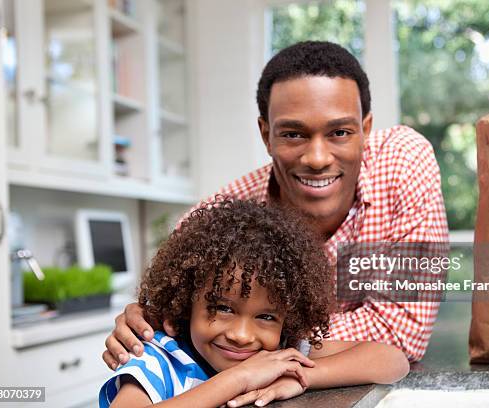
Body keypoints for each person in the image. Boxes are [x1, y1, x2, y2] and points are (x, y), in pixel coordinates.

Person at [103, 40, 448, 404]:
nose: (317, 158)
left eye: (340, 132)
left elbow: (399, 337)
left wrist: (286, 353)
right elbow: (167, 315)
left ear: (366, 129)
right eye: (293, 134)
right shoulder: (216, 223)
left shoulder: (402, 163)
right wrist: (156, 319)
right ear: (266, 134)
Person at [100, 198, 408, 407]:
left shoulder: (278, 354)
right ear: (183, 305)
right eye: (222, 308)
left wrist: (301, 378)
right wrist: (240, 378)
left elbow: (393, 361)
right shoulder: (161, 360)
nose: (242, 335)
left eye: (266, 317)